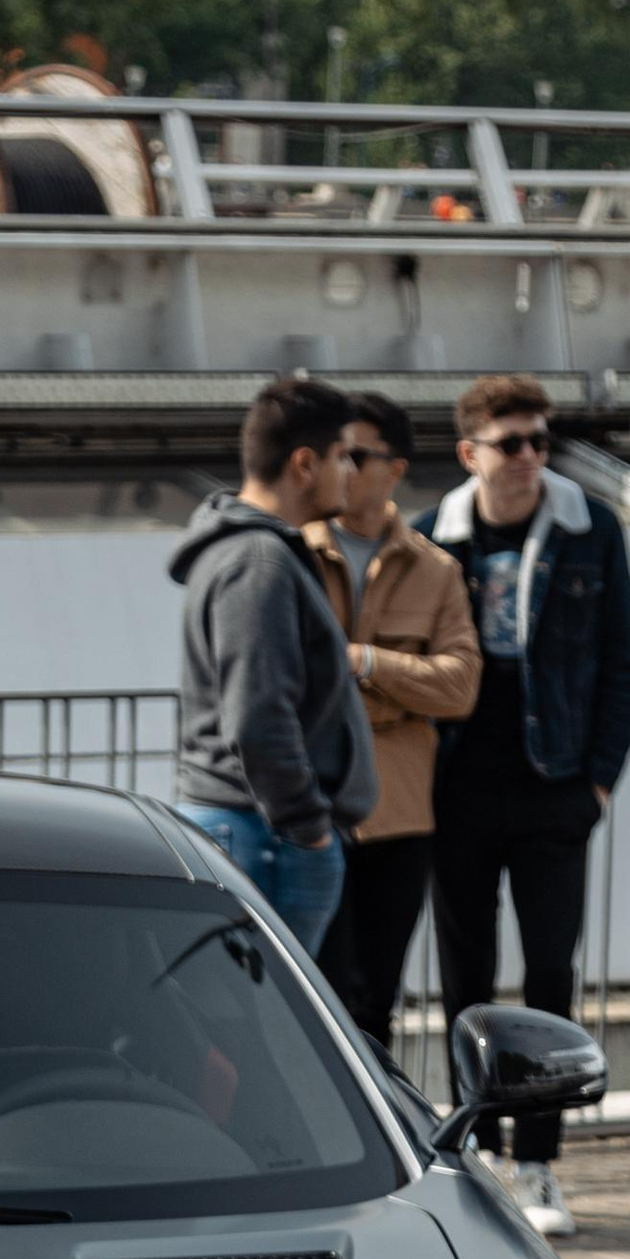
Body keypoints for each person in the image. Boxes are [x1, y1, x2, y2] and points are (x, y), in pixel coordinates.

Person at [425, 372, 630, 1243]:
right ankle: (469, 1144)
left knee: (551, 973)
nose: (529, 459)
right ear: (470, 452)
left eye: (540, 442)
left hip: (554, 784)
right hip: (459, 786)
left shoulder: (591, 531)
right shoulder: (433, 539)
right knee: (464, 975)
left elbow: (625, 662)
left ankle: (538, 1157)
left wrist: (597, 781)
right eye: (511, 443)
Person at [168, 376, 378, 953]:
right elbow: (258, 716)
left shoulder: (252, 551)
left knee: (242, 1027)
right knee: (247, 1033)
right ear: (304, 464)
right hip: (264, 838)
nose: (352, 473)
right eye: (344, 457)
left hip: (259, 830)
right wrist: (308, 830)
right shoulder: (258, 561)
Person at [300, 393, 479, 1063]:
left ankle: (376, 1146)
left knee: (375, 998)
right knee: (310, 991)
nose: (341, 467)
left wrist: (366, 663)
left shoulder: (435, 570)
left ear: (394, 468)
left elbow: (460, 686)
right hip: (308, 807)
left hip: (397, 816)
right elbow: (289, 677)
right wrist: (401, 694)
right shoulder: (293, 552)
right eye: (334, 453)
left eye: (358, 454)